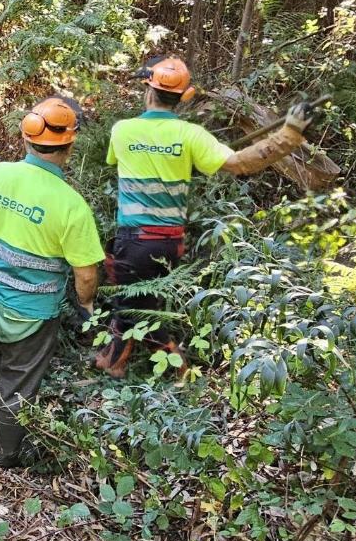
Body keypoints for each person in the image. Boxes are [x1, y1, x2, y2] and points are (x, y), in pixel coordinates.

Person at [94, 56, 316, 378]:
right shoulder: (192, 136)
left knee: (131, 307)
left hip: (134, 237)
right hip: (169, 242)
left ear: (148, 90)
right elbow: (241, 163)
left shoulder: (123, 130)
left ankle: (153, 368)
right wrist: (290, 134)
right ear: (184, 97)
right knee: (145, 304)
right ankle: (130, 360)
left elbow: (119, 160)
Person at [0, 97, 105, 468]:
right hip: (30, 315)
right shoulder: (71, 205)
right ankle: (5, 454)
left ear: (26, 138)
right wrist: (86, 306)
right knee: (19, 382)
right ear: (70, 144)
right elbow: (85, 274)